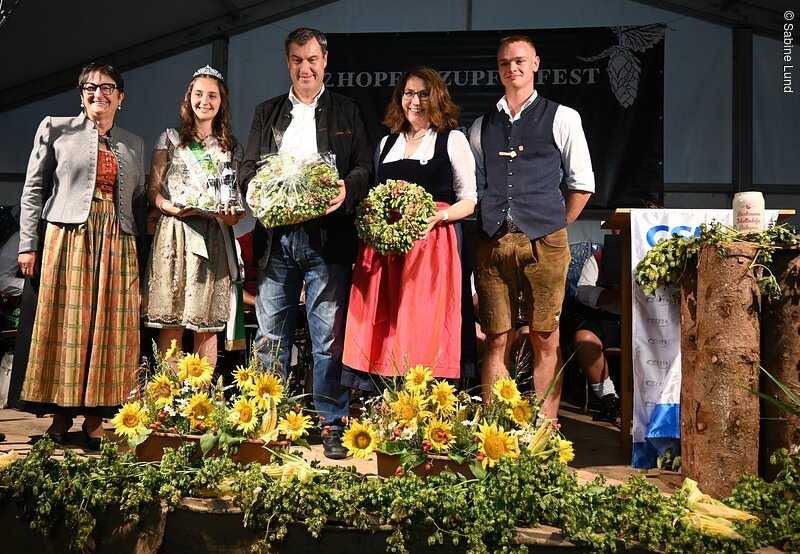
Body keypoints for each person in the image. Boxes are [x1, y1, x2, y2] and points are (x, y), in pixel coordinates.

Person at [239, 27, 373, 459]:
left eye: (312, 59)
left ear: (325, 60)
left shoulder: (348, 111)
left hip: (327, 242)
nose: (305, 67)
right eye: (297, 60)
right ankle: (267, 420)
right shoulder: (267, 112)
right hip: (277, 242)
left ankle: (332, 422)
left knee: (327, 339)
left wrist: (344, 190)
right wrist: (252, 190)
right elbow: (247, 168)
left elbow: (364, 168)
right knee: (269, 337)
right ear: (288, 63)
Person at [17, 62, 145, 449]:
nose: (98, 93)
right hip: (68, 236)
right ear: (81, 94)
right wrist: (28, 244)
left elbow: (137, 201)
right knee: (67, 323)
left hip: (117, 241)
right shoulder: (55, 127)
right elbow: (33, 189)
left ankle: (94, 419)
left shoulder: (134, 142)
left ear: (121, 98)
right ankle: (59, 415)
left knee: (108, 329)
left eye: (108, 88)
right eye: (90, 86)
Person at [469, 35, 595, 420]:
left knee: (545, 336)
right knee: (495, 338)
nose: (513, 68)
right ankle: (495, 429)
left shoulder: (563, 116)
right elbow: (477, 185)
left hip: (546, 242)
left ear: (536, 63)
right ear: (499, 68)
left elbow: (582, 183)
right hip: (493, 241)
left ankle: (546, 429)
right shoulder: (479, 125)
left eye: (520, 61)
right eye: (506, 62)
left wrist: (554, 226)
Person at [341, 67, 477, 389]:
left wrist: (439, 217)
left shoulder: (451, 139)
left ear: (437, 97)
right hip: (387, 253)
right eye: (408, 93)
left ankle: (424, 400)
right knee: (388, 324)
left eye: (423, 94)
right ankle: (388, 404)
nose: (415, 101)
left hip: (433, 250)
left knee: (422, 323)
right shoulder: (387, 143)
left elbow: (469, 199)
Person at [142, 65, 244, 367]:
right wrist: (167, 207)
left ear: (221, 102)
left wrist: (231, 215)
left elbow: (232, 196)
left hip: (212, 237)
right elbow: (153, 190)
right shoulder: (170, 139)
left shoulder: (230, 146)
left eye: (212, 96)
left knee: (207, 324)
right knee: (172, 321)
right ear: (189, 99)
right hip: (174, 234)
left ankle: (201, 401)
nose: (205, 101)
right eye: (199, 94)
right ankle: (170, 401)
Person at [573, 245, 621, 425]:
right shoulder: (598, 259)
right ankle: (609, 399)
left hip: (645, 319)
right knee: (584, 340)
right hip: (607, 319)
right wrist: (617, 295)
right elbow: (583, 292)